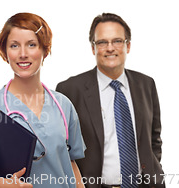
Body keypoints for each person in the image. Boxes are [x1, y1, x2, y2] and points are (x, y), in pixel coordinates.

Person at [56, 13, 165, 188]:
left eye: (117, 41)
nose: (110, 48)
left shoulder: (146, 84)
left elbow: (154, 138)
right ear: (93, 48)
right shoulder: (69, 90)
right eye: (102, 42)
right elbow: (62, 148)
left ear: (127, 45)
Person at [0, 12, 86, 188]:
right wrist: (5, 185)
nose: (23, 54)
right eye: (14, 45)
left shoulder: (63, 104)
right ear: (5, 52)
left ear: (44, 49)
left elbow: (71, 163)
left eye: (31, 45)